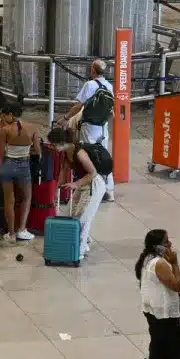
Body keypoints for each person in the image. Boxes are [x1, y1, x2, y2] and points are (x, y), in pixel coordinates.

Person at [49, 126, 110, 257]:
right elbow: (64, 172)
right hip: (83, 183)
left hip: (94, 184)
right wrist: (56, 191)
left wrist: (75, 184)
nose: (53, 148)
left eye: (54, 145)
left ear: (60, 143)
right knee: (71, 213)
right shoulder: (66, 153)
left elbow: (92, 172)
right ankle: (84, 240)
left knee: (83, 218)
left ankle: (79, 251)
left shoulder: (79, 153)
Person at [63, 59, 117, 201]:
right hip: (102, 127)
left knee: (90, 157)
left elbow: (78, 106)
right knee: (104, 155)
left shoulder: (90, 85)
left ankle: (94, 190)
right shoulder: (109, 86)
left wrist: (65, 118)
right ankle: (110, 191)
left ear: (93, 70)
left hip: (89, 127)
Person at [0, 104, 40, 242]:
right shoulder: (33, 128)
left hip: (7, 165)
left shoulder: (5, 130)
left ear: (11, 114)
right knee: (26, 198)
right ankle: (22, 230)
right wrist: (26, 151)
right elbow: (37, 151)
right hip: (24, 167)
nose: (3, 118)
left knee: (9, 201)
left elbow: (1, 152)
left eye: (4, 115)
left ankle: (11, 234)